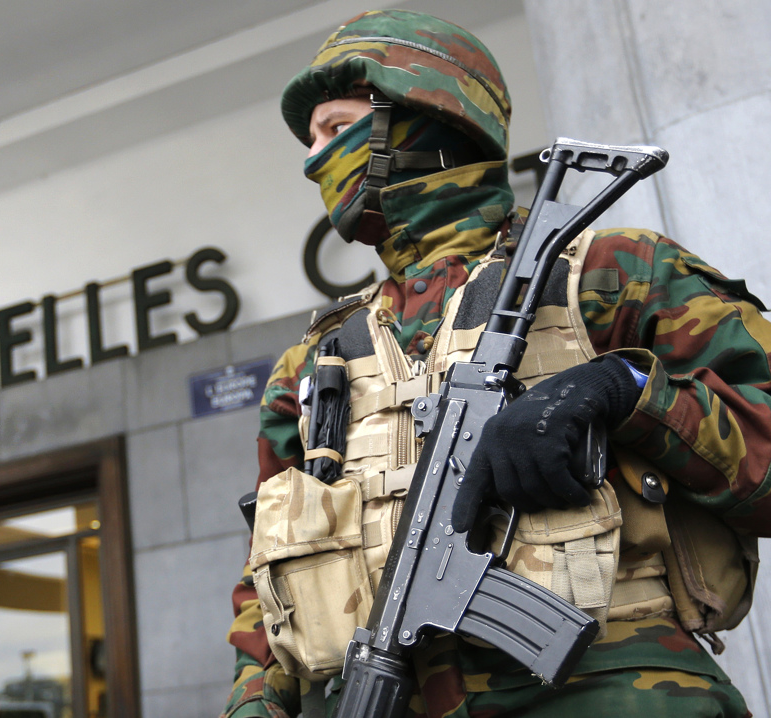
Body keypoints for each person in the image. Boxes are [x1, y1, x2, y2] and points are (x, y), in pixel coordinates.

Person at [222, 9, 771, 718]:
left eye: (335, 128)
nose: (312, 160)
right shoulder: (316, 361)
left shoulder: (608, 274)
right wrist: (251, 704)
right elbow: (264, 583)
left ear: (422, 116)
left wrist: (623, 390)